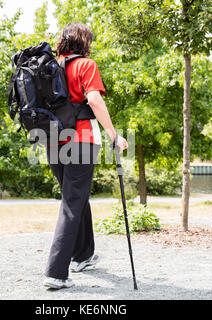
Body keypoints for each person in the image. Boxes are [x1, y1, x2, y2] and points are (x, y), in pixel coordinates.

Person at [43, 22, 128, 290]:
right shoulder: (85, 66)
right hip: (81, 141)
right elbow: (94, 100)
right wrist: (114, 134)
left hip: (52, 141)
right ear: (84, 43)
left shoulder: (50, 68)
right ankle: (56, 272)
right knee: (72, 202)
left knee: (76, 197)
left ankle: (83, 255)